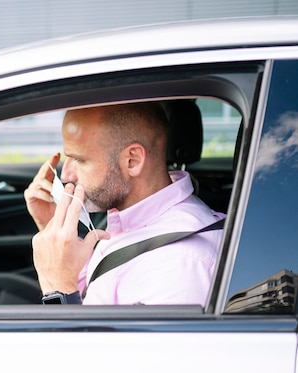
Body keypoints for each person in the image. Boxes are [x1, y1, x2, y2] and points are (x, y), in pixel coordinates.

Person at [25, 102, 225, 305]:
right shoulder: (131, 216)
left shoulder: (177, 264)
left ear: (132, 160)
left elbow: (86, 337)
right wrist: (52, 227)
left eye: (79, 159)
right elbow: (94, 290)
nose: (66, 174)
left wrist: (56, 289)